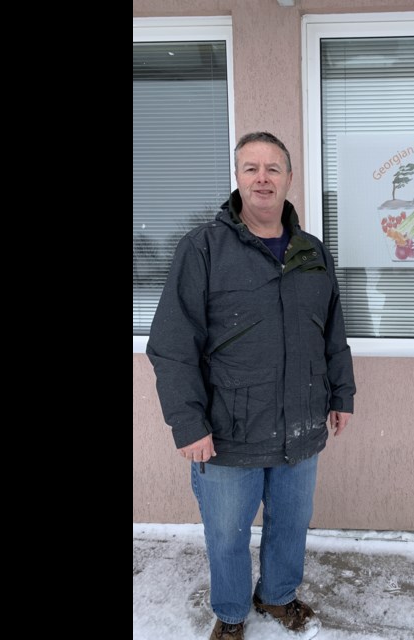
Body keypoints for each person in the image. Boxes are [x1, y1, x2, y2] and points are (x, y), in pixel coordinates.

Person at [147, 131, 355, 640]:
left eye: (273, 168)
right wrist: (188, 424)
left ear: (289, 177)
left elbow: (332, 332)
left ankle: (279, 596)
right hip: (227, 430)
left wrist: (341, 395)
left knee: (290, 526)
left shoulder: (312, 252)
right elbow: (172, 345)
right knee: (226, 534)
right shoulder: (203, 249)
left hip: (301, 425)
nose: (262, 178)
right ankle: (233, 613)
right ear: (238, 179)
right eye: (251, 168)